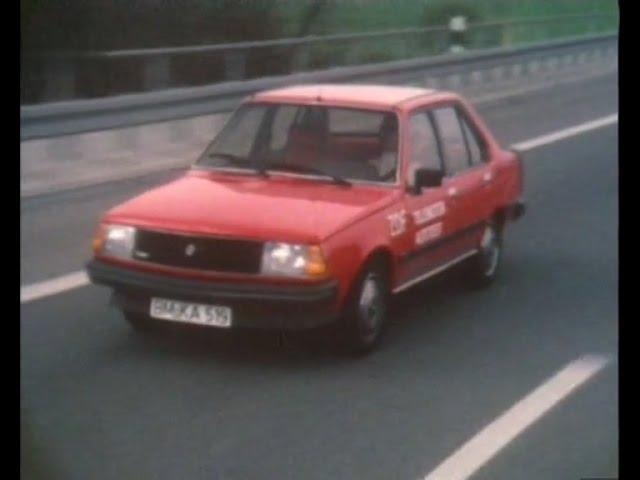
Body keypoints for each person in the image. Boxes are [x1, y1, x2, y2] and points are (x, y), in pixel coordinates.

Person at [368, 116, 399, 180]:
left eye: (391, 129)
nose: (383, 133)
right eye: (383, 129)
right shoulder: (370, 165)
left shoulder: (411, 167)